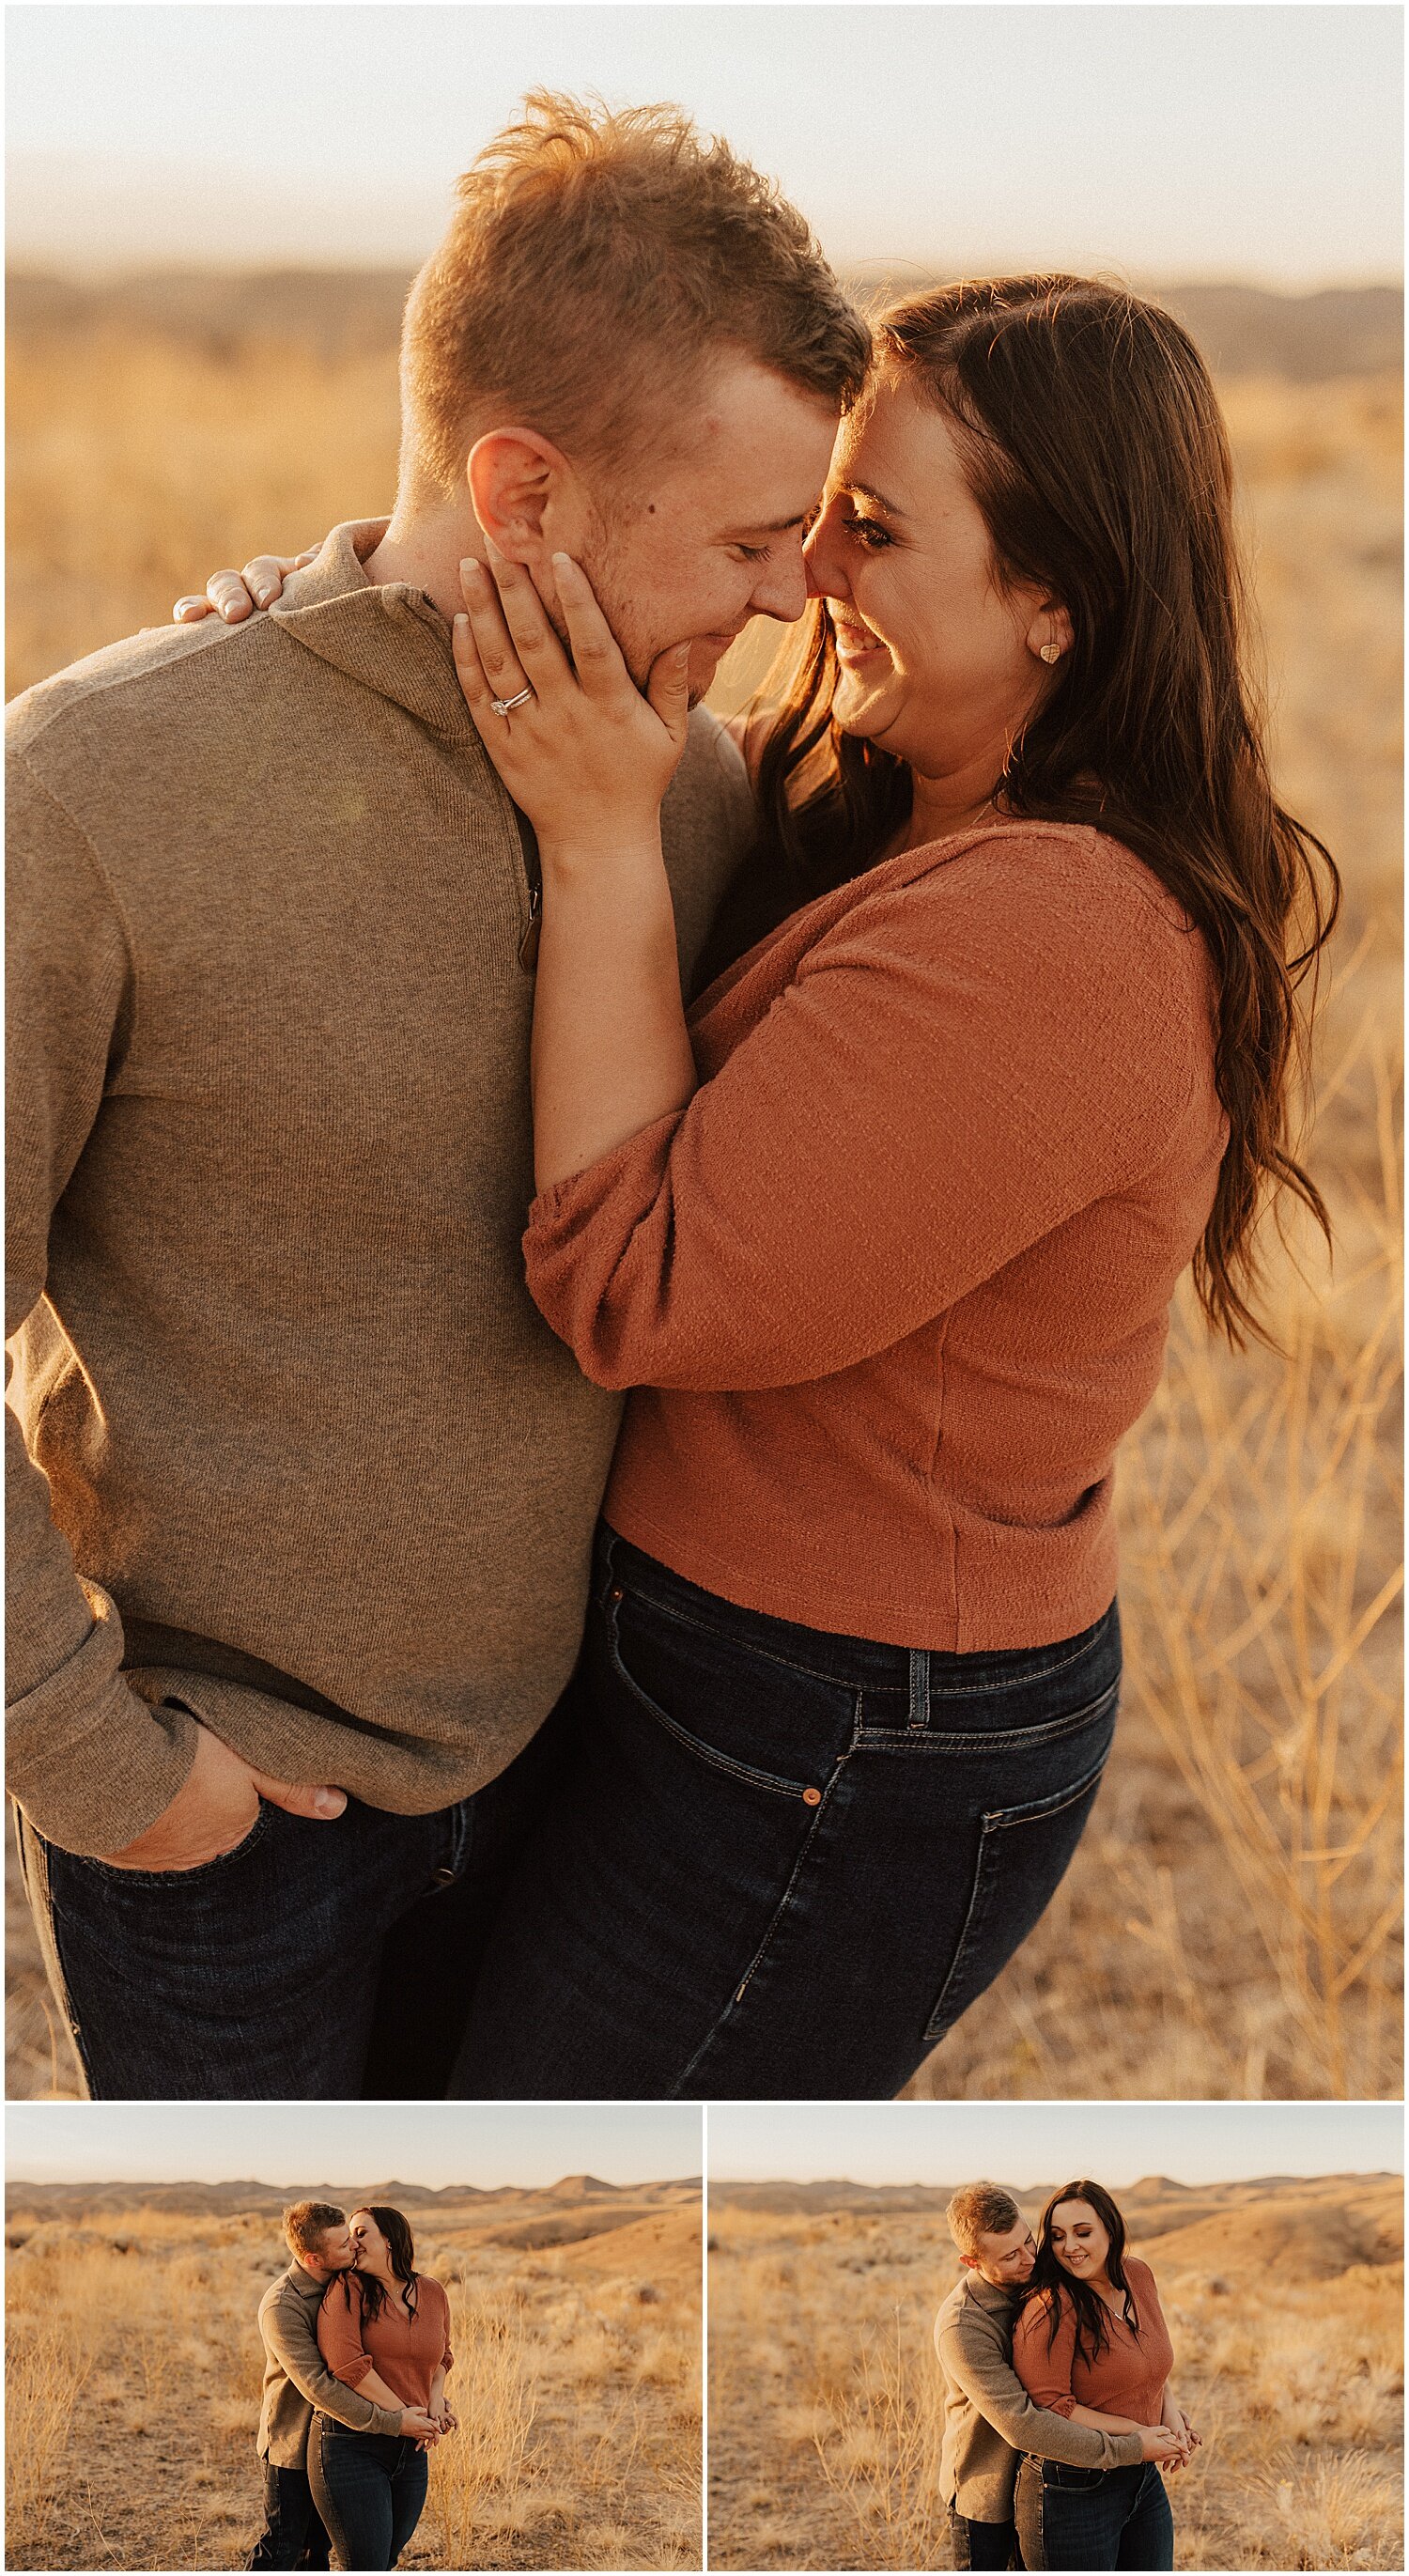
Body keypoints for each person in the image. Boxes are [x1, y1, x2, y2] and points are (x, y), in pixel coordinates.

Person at [5, 92, 869, 2100]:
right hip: (230, 1835)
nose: (783, 603)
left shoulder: (706, 795)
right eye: (750, 540)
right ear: (526, 491)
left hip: (599, 1788)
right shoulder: (94, 786)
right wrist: (108, 1774)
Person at [411, 272, 1338, 2098]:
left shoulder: (1062, 935)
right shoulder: (899, 784)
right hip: (748, 1671)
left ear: (1058, 601)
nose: (809, 565)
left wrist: (605, 844)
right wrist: (296, 630)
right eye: (825, 502)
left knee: (550, 2160)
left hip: (839, 1725)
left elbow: (640, 1286)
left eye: (878, 527)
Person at [934, 2183, 1185, 2571]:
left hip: (1087, 2467)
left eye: (1030, 2242)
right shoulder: (964, 2326)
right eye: (1010, 2255)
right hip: (991, 2489)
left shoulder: (1046, 2281)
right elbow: (1026, 2422)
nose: (1029, 2259)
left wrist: (1165, 2416)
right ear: (971, 2261)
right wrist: (1134, 2445)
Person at [1012, 2180, 1196, 2569]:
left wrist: (1170, 2419)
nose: (1069, 2247)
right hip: (1073, 2487)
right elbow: (1052, 2406)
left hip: (1141, 2478)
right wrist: (1139, 2434)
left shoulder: (1138, 2276)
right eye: (1057, 2236)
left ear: (1111, 2229)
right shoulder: (1051, 2306)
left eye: (1083, 2232)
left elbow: (1151, 2366)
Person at [252, 2201, 438, 2572]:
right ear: (313, 2258)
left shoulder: (353, 2285)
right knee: (284, 2544)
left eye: (353, 2237)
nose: (353, 2247)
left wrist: (430, 2397)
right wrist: (395, 2421)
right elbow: (319, 2385)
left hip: (346, 2439)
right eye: (342, 2245)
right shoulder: (282, 2306)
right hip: (295, 2443)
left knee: (317, 2549)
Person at [310, 2204, 455, 2573]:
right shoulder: (346, 2288)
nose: (351, 2243)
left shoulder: (433, 2291)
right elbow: (347, 2364)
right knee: (367, 2564)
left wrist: (433, 2401)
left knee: (387, 2558)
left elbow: (443, 2354)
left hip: (411, 2448)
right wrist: (404, 2415)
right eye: (348, 2236)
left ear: (389, 2240)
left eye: (361, 2233)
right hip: (351, 2445)